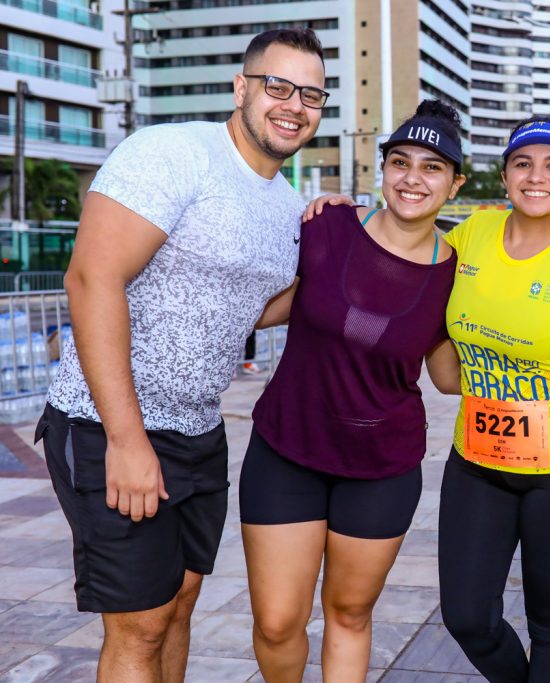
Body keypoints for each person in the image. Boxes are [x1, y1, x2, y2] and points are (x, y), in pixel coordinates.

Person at [36, 28, 326, 682]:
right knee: (137, 623)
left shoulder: (285, 206)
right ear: (242, 87)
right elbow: (90, 278)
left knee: (178, 604)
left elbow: (255, 304)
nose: (294, 104)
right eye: (278, 86)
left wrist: (340, 262)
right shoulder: (173, 153)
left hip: (199, 431)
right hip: (108, 422)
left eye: (311, 94)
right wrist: (126, 438)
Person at [239, 100, 465, 683]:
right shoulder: (325, 225)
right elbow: (261, 303)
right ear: (382, 166)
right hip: (288, 448)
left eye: (433, 167)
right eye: (401, 161)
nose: (413, 178)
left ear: (455, 183)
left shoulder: (457, 275)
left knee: (349, 613)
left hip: (381, 467)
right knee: (276, 621)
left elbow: (446, 377)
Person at [437, 115, 550, 682]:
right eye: (523, 163)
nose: (536, 176)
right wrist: (343, 214)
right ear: (504, 175)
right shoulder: (469, 237)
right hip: (475, 465)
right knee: (467, 617)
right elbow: (402, 257)